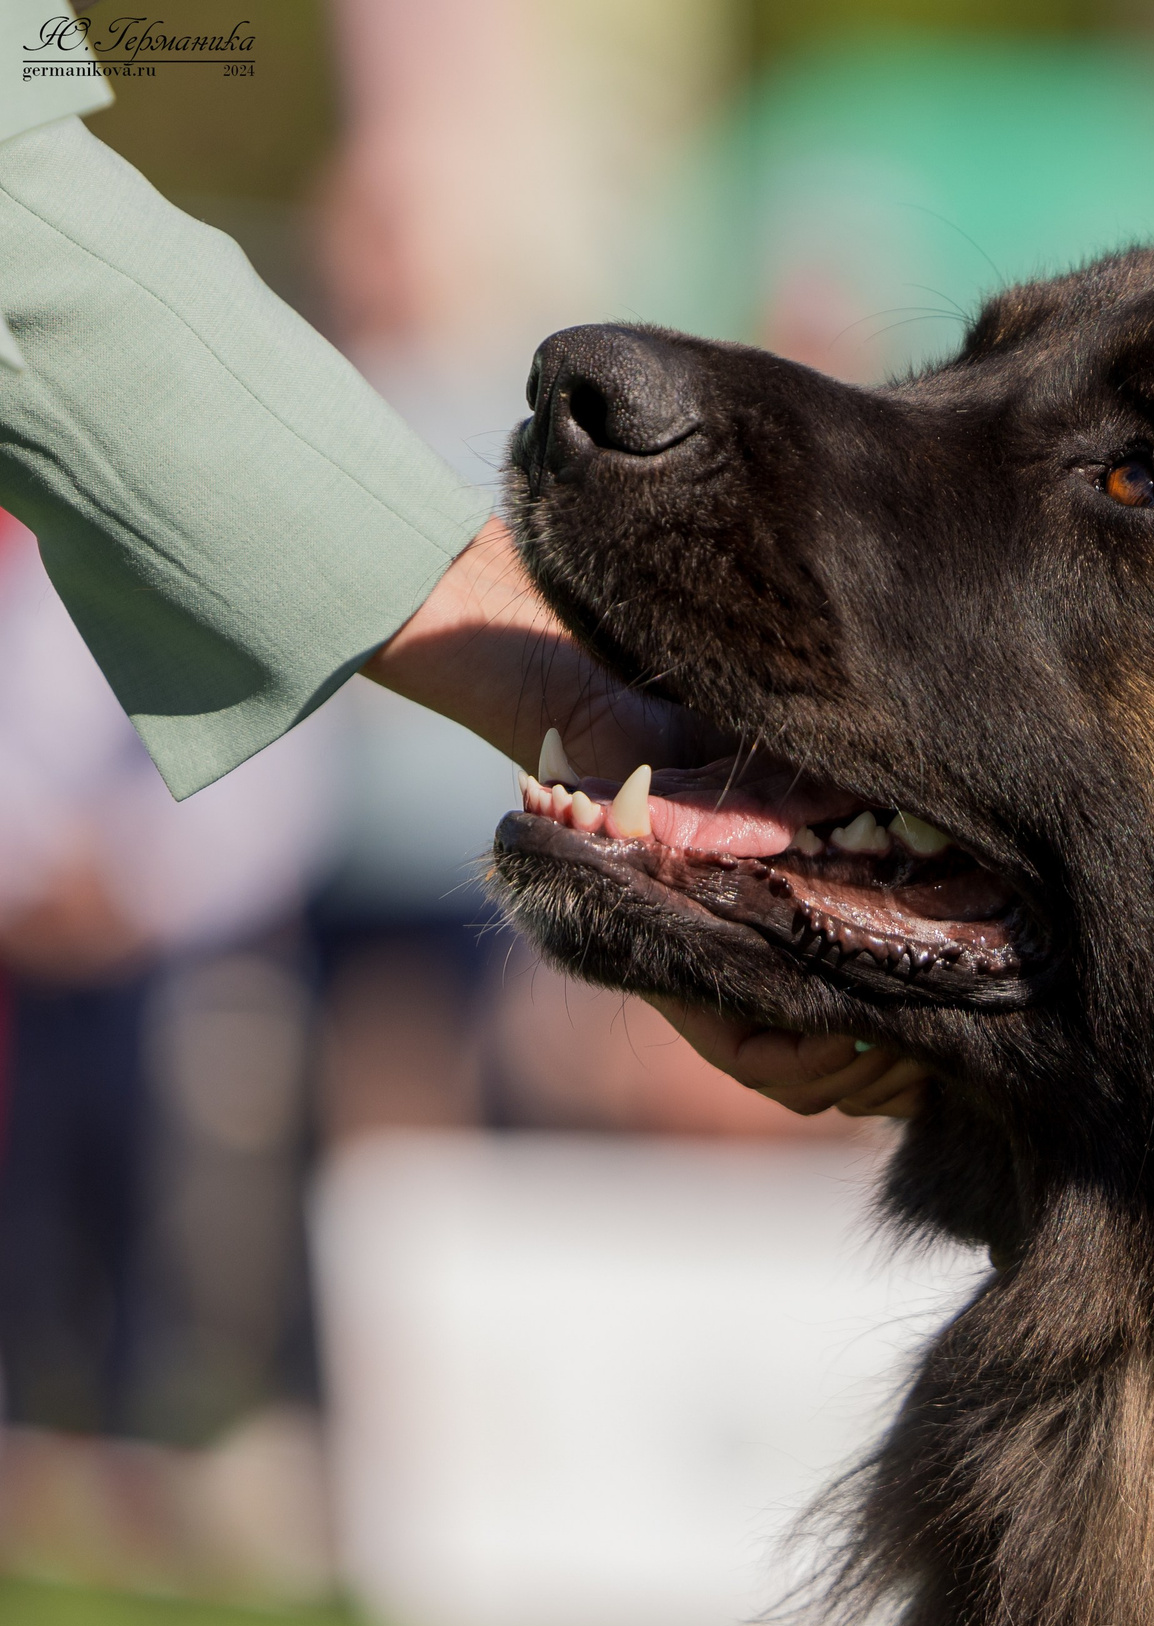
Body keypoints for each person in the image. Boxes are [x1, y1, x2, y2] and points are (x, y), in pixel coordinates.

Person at [0, 5, 922, 1120]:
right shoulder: (374, 366)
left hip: (441, 868)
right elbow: (29, 232)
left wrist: (567, 692)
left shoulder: (488, 363)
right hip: (333, 871)